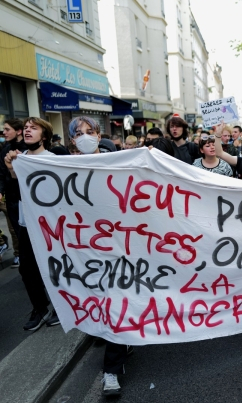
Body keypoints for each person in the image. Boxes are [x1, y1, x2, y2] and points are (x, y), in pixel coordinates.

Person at [66, 116, 133, 396]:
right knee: (99, 302)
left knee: (116, 303)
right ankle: (119, 336)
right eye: (78, 133)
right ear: (71, 140)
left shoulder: (117, 162)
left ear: (98, 134)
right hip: (84, 251)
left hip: (119, 246)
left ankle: (111, 371)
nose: (84, 136)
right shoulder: (61, 167)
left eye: (89, 132)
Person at [4, 118, 60, 329]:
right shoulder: (19, 159)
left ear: (44, 136)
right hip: (27, 224)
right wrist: (11, 170)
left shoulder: (52, 159)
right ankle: (40, 307)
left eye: (33, 128)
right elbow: (19, 194)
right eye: (26, 128)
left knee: (55, 267)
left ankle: (61, 305)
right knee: (27, 269)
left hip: (50, 225)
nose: (27, 130)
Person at [0, 118, 25, 267]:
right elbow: (1, 173)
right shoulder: (4, 150)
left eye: (7, 129)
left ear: (18, 131)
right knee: (16, 228)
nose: (4, 132)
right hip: (11, 197)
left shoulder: (28, 148)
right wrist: (1, 190)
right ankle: (22, 255)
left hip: (26, 197)